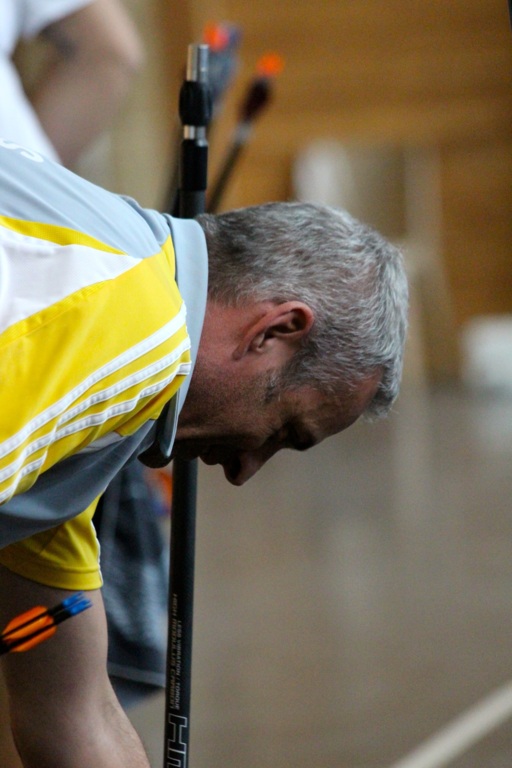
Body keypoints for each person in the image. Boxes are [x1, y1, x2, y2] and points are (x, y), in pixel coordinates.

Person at [0, 139, 408, 768]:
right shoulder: (134, 334)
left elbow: (77, 716)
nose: (244, 470)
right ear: (275, 330)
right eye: (282, 431)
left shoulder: (112, 320)